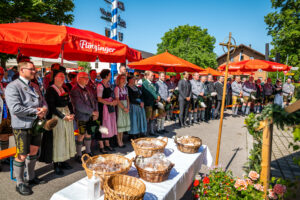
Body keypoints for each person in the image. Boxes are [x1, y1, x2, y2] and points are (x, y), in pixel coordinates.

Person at [5, 61, 48, 195]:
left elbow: (43, 100)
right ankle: (20, 183)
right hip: (21, 125)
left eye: (34, 69)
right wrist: (36, 111)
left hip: (35, 124)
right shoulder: (12, 86)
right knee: (22, 154)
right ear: (22, 70)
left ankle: (31, 177)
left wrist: (44, 108)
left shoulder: (34, 86)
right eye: (32, 69)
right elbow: (15, 108)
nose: (34, 72)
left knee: (34, 151)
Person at [45, 70, 76, 175]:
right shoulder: (50, 90)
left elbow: (69, 102)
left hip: (66, 114)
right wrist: (63, 116)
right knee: (58, 140)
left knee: (66, 138)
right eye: (60, 76)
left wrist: (72, 113)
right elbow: (52, 107)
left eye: (64, 76)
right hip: (57, 117)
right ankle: (56, 164)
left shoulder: (64, 88)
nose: (63, 78)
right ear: (54, 77)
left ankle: (63, 161)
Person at [97, 69, 117, 152]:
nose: (110, 76)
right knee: (102, 126)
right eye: (109, 74)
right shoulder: (100, 86)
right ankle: (101, 146)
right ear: (106, 76)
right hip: (102, 108)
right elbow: (99, 99)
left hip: (109, 108)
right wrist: (110, 103)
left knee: (108, 125)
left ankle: (107, 144)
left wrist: (113, 101)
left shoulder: (108, 85)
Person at [0, 67, 13, 171]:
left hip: (5, 115)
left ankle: (4, 157)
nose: (1, 76)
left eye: (1, 74)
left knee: (5, 136)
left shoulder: (3, 84)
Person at [141, 70, 160, 135]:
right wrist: (155, 97)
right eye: (151, 75)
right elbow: (147, 93)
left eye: (153, 75)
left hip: (154, 103)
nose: (153, 77)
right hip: (148, 103)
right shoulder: (145, 83)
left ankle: (152, 131)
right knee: (147, 118)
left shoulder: (153, 84)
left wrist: (158, 96)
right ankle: (145, 132)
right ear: (147, 76)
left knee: (153, 117)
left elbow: (156, 92)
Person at [114, 74, 130, 147]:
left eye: (124, 78)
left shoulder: (125, 88)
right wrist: (124, 108)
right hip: (120, 107)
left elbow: (127, 98)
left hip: (125, 106)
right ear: (119, 79)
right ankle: (119, 141)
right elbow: (117, 100)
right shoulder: (117, 88)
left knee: (123, 124)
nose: (123, 80)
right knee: (119, 124)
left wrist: (128, 107)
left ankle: (121, 140)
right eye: (122, 78)